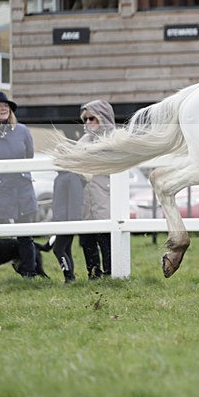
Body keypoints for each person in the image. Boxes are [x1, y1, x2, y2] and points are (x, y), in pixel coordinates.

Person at [0, 91, 39, 282]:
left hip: (22, 190)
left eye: (7, 106)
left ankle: (29, 276)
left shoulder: (22, 131)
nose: (4, 108)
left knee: (25, 236)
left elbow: (29, 157)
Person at [78, 100, 115, 278]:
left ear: (103, 118)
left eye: (92, 118)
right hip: (87, 201)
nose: (88, 123)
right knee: (87, 240)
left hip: (106, 199)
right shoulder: (82, 141)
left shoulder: (115, 140)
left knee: (106, 239)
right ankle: (93, 273)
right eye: (85, 119)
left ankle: (111, 273)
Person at [50, 169, 85, 283]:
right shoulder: (61, 177)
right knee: (66, 249)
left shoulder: (71, 178)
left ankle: (69, 276)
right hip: (61, 220)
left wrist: (73, 222)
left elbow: (75, 201)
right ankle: (70, 277)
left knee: (58, 249)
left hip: (67, 220)